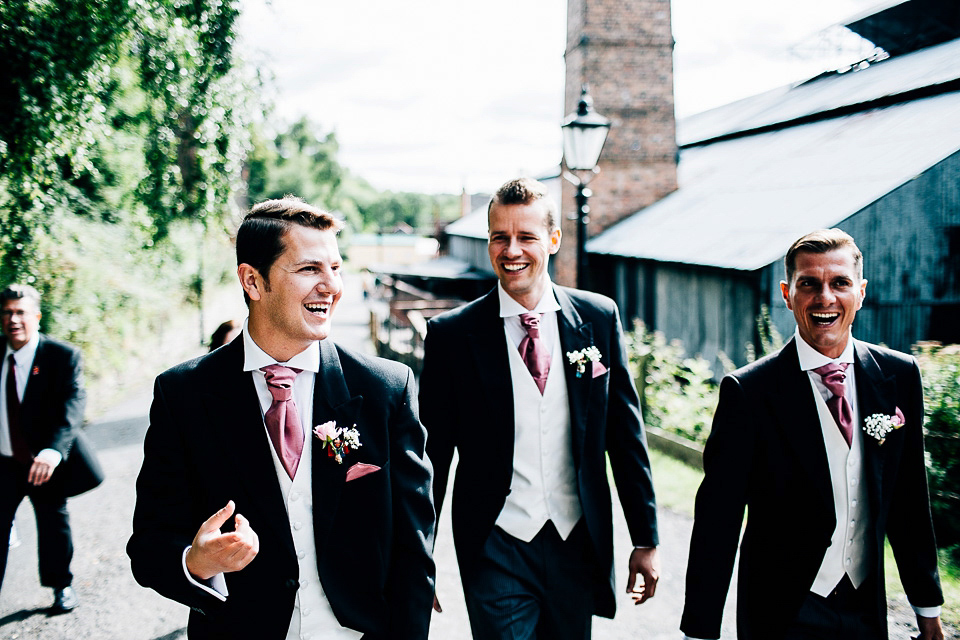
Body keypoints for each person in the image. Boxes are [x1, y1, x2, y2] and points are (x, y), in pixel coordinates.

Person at [127, 197, 436, 639]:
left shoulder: (386, 388)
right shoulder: (184, 395)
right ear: (252, 281)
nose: (331, 286)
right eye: (310, 269)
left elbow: (415, 549)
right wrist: (197, 562)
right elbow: (150, 545)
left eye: (336, 267)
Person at [419, 177, 659, 640]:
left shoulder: (597, 318)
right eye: (499, 237)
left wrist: (646, 538)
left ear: (553, 240)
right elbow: (433, 457)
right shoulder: (453, 336)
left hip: (576, 541)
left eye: (526, 237)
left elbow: (625, 437)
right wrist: (419, 551)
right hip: (496, 542)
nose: (512, 250)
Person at [681, 229, 944, 640]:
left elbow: (909, 502)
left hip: (866, 610)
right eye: (809, 284)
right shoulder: (749, 392)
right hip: (781, 613)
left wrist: (927, 610)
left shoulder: (899, 376)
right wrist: (699, 630)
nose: (825, 297)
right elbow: (718, 519)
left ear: (860, 291)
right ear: (788, 294)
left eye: (840, 283)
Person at [0, 284, 101, 613]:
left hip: (43, 460)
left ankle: (62, 586)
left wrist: (52, 452)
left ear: (36, 317)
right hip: (3, 461)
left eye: (20, 312)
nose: (13, 319)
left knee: (52, 521)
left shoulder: (61, 356)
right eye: (7, 312)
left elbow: (73, 406)